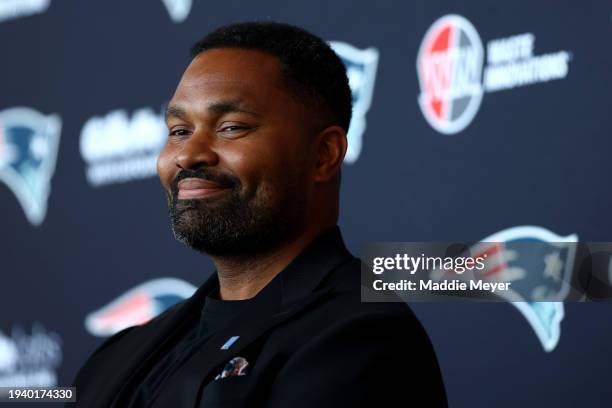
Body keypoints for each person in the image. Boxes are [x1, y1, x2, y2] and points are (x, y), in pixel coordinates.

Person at [71, 21, 447, 407]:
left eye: (231, 127)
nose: (188, 154)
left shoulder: (360, 336)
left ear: (324, 155)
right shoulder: (120, 356)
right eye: (179, 130)